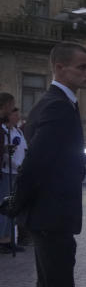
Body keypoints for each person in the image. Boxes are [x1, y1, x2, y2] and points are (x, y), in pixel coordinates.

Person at [8, 42, 86, 287]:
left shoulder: (56, 103)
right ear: (60, 68)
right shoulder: (57, 107)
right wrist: (17, 206)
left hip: (49, 215)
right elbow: (36, 164)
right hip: (50, 216)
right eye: (82, 68)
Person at [1, 99, 27, 254]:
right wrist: (17, 166)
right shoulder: (4, 131)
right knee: (5, 206)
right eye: (15, 114)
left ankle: (10, 238)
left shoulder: (18, 131)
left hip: (19, 173)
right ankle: (2, 239)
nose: (18, 117)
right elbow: (5, 154)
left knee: (13, 207)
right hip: (8, 173)